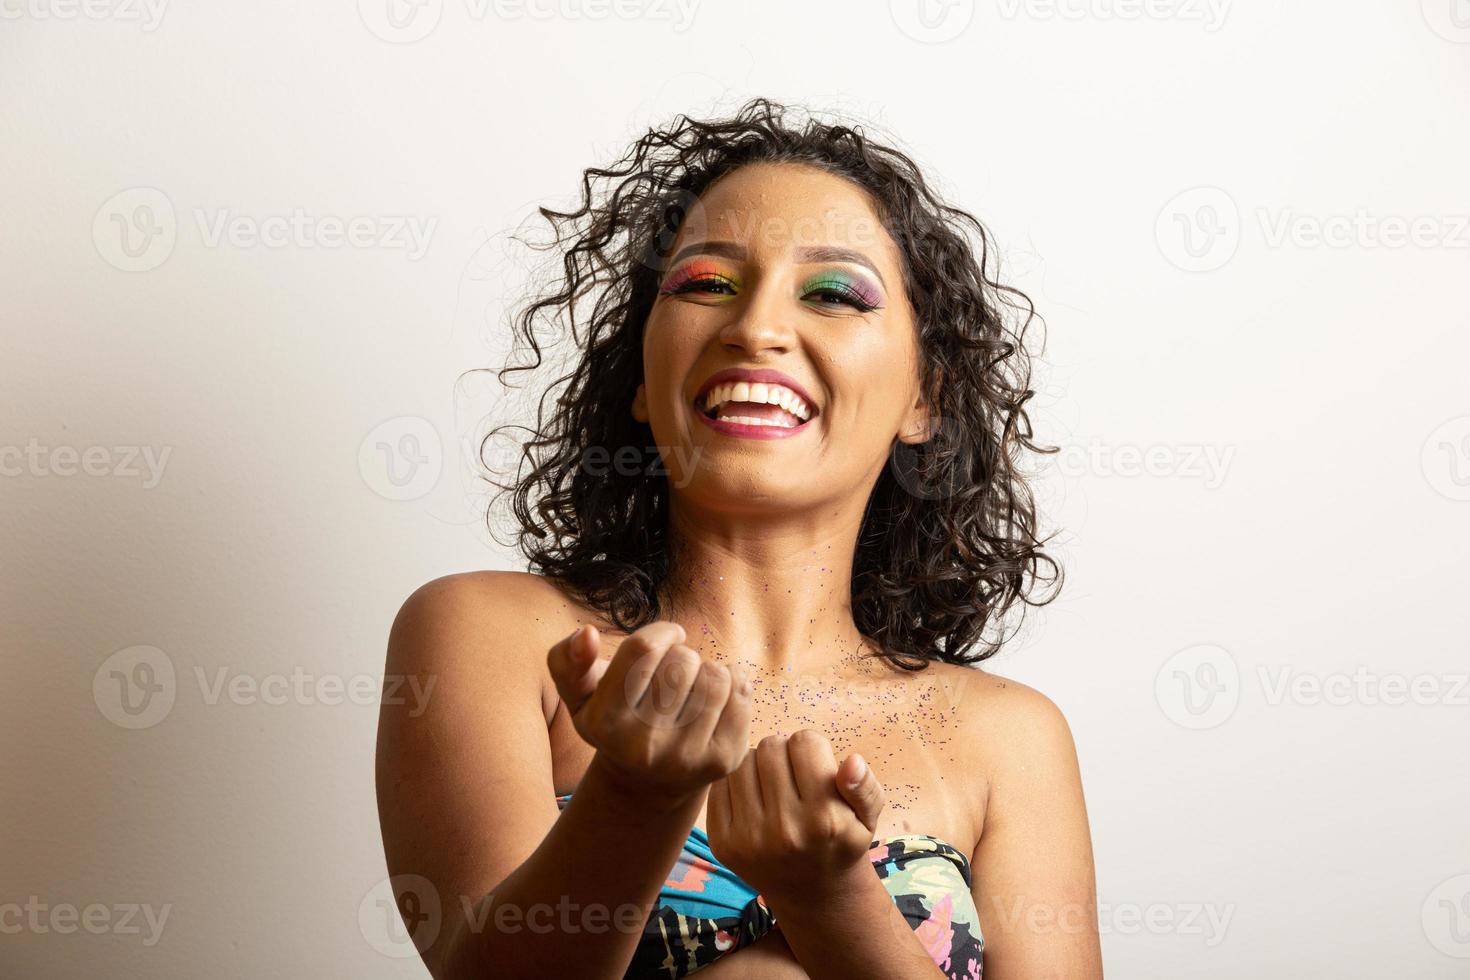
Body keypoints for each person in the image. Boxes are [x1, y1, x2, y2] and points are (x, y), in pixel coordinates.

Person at [376, 98, 1102, 979]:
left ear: (925, 400)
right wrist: (636, 796)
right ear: (641, 378)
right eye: (706, 284)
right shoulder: (490, 635)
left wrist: (829, 897)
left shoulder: (1009, 737)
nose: (755, 327)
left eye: (834, 293)